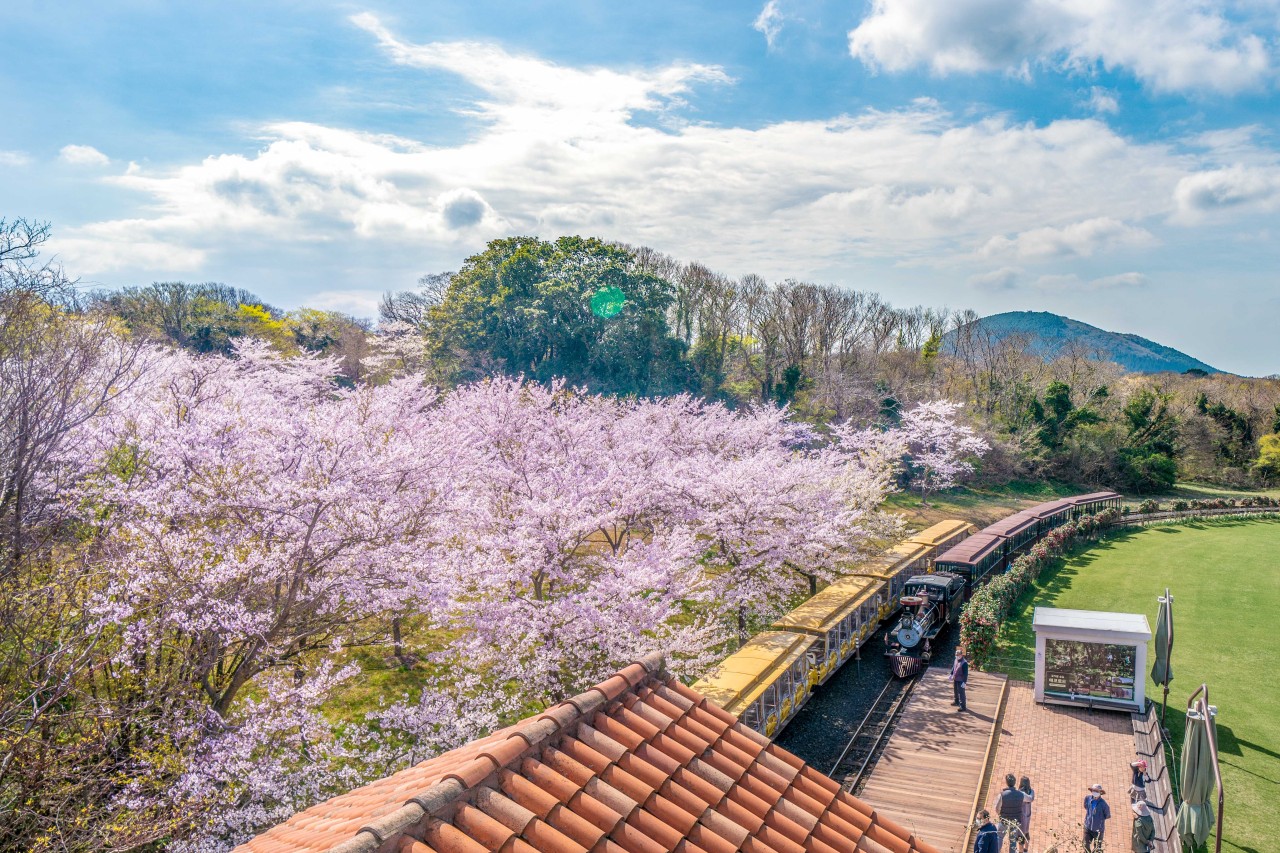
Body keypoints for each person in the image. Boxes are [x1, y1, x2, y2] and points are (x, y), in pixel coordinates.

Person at [996, 773, 1030, 853]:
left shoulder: (1002, 795)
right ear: (1015, 783)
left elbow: (997, 808)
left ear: (1007, 783)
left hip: (1004, 820)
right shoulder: (1021, 794)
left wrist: (1000, 815)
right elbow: (1030, 799)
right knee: (1013, 840)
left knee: (1000, 837)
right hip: (1015, 821)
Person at [1083, 783, 1111, 852]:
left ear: (1100, 793)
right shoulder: (1088, 799)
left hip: (1098, 830)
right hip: (1088, 827)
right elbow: (1086, 806)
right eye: (1094, 791)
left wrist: (1099, 819)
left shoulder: (1103, 804)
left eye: (1097, 791)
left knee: (1097, 848)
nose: (1095, 792)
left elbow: (1107, 815)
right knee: (1085, 844)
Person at [1017, 775, 1035, 851]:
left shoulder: (1020, 793)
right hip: (1028, 816)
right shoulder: (1031, 792)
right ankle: (1026, 850)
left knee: (1021, 836)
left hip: (1021, 817)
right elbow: (1031, 798)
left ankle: (1021, 851)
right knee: (1027, 833)